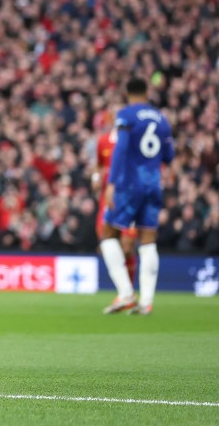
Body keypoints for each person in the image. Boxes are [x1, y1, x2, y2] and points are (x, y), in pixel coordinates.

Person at [100, 77, 175, 315]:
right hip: (153, 184)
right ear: (146, 92)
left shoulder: (127, 115)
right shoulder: (162, 119)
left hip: (130, 184)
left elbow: (121, 149)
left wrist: (111, 183)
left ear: (128, 92)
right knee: (148, 239)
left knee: (107, 232)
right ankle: (147, 301)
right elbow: (169, 156)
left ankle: (125, 294)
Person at [92, 113, 137, 284]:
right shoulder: (103, 141)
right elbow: (98, 166)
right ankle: (125, 291)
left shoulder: (133, 144)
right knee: (106, 245)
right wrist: (95, 179)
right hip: (107, 201)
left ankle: (128, 290)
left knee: (127, 247)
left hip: (128, 200)